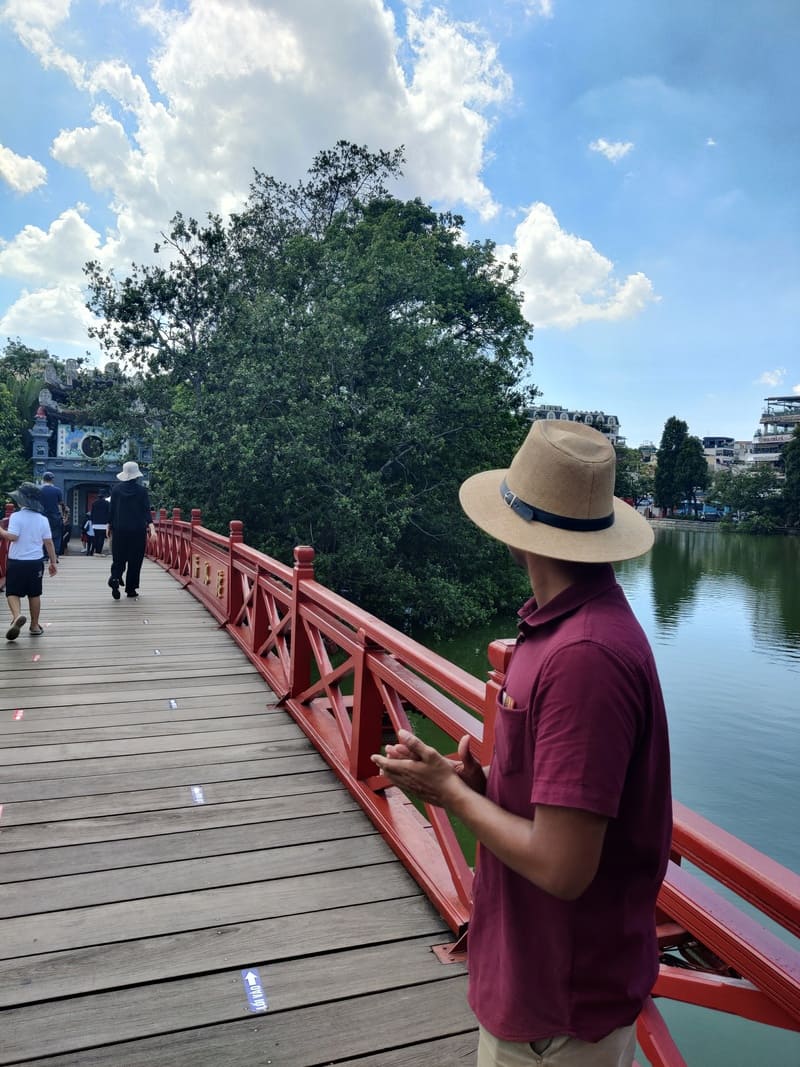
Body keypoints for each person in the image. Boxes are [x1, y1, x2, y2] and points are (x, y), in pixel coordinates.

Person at [372, 420, 672, 1067]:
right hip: (536, 984)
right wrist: (489, 787)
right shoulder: (559, 626)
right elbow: (561, 807)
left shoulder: (584, 655)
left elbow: (564, 866)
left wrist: (449, 792)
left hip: (558, 1016)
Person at [1, 482, 58, 639]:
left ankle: (17, 615)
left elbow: (13, 537)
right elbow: (49, 542)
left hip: (16, 561)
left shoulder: (16, 516)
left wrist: (1, 530)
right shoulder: (42, 519)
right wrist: (53, 562)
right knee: (34, 594)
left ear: (21, 500)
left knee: (12, 592)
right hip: (35, 562)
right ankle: (34, 626)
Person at [107, 460, 155, 600]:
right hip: (137, 531)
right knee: (135, 560)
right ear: (137, 475)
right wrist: (152, 527)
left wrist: (108, 526)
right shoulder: (142, 491)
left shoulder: (116, 490)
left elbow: (112, 510)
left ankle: (115, 578)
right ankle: (131, 589)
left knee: (118, 558)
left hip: (119, 529)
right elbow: (146, 511)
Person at [39, 471, 63, 560]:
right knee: (56, 536)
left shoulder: (39, 490)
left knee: (42, 535)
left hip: (42, 516)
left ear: (43, 479)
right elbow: (60, 504)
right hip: (54, 516)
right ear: (52, 479)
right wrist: (62, 516)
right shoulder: (57, 490)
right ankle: (55, 555)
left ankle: (44, 555)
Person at [90, 489, 111, 556]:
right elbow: (109, 513)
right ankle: (99, 551)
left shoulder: (94, 503)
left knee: (96, 537)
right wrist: (108, 521)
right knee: (101, 538)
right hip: (103, 524)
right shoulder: (107, 504)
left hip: (95, 524)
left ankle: (96, 551)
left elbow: (92, 513)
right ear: (104, 496)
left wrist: (92, 521)